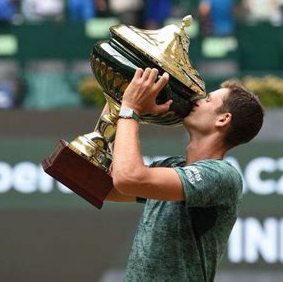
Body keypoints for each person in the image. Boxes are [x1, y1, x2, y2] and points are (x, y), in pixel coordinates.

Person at [105, 67, 264, 281]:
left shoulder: (222, 176)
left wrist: (130, 109)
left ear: (223, 119)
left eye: (207, 100)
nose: (196, 101)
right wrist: (118, 99)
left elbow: (129, 178)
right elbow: (105, 188)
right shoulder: (172, 166)